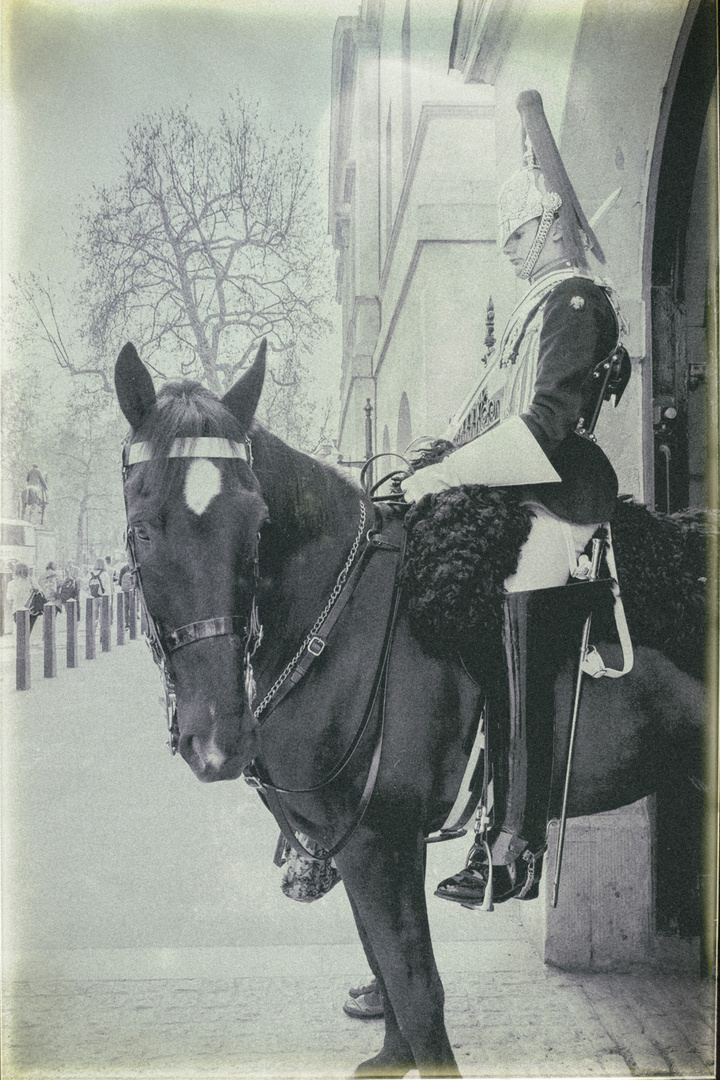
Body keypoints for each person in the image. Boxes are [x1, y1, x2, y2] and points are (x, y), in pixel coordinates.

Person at [401, 90, 628, 907]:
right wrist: (428, 465)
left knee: (515, 590)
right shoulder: (537, 307)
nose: (508, 249)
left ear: (551, 227)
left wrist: (450, 473)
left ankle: (515, 838)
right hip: (523, 485)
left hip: (561, 496)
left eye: (518, 233)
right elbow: (489, 422)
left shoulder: (573, 303)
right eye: (504, 235)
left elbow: (543, 431)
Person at [6, 563, 41, 635]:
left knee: (21, 633)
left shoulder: (11, 584)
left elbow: (9, 598)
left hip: (17, 611)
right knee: (28, 632)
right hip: (31, 610)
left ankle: (21, 645)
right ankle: (26, 645)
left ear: (15, 571)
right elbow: (40, 591)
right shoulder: (31, 580)